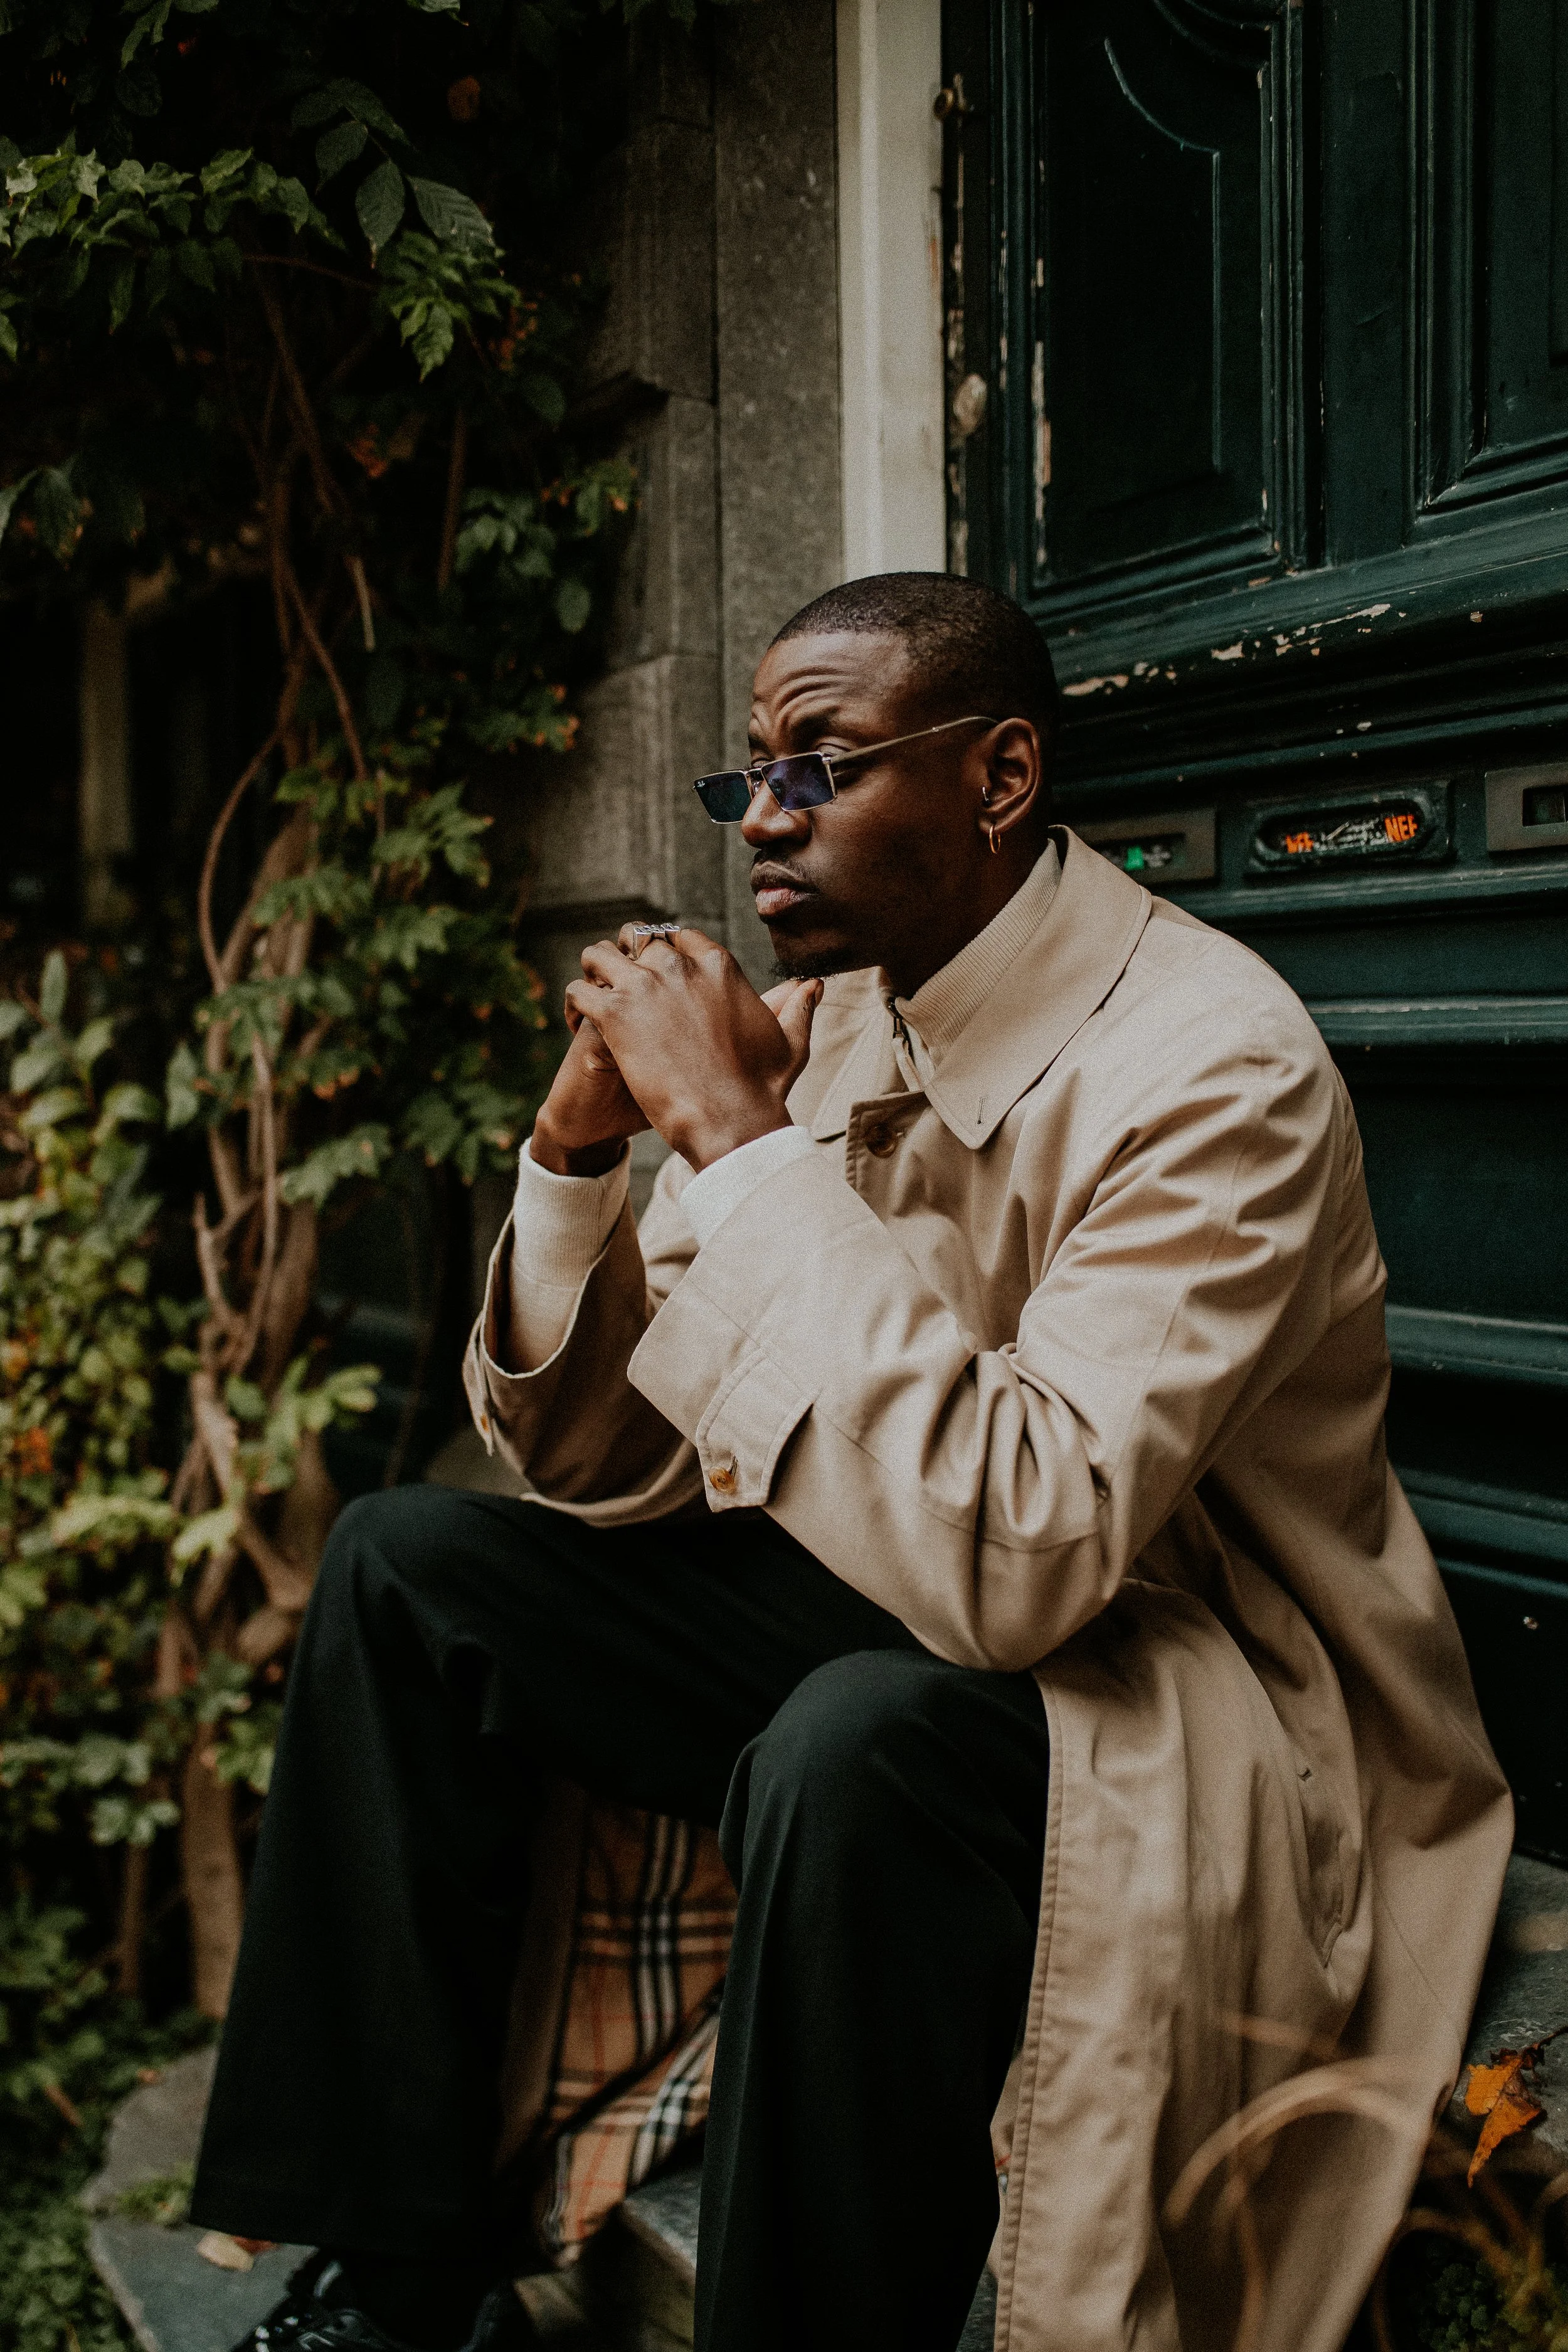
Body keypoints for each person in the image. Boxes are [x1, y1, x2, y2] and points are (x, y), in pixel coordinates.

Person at [193, 573, 1511, 2352]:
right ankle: (405, 2285)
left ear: (999, 774)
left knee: (852, 1745)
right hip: (917, 1580)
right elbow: (609, 1461)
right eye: (749, 775)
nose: (767, 819)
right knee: (411, 1565)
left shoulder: (1215, 1064)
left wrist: (735, 1140)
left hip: (1192, 1682)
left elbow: (1033, 1555)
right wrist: (579, 1154)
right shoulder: (843, 1018)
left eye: (823, 763)